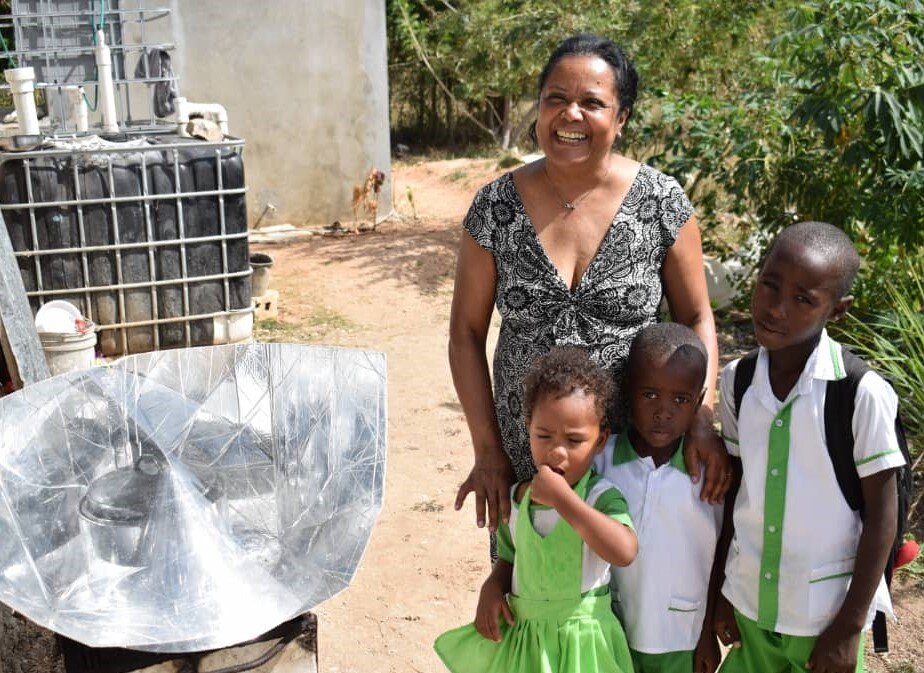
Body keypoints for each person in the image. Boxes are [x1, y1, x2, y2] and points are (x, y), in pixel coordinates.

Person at [449, 33, 729, 540]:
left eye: (592, 102)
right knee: (535, 595)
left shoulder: (661, 202)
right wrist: (488, 450)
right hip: (529, 453)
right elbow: (465, 332)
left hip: (637, 450)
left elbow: (696, 318)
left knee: (632, 597)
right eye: (555, 98)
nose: (570, 115)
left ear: (621, 118)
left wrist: (702, 420)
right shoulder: (494, 207)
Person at [713, 221, 905, 673]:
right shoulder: (737, 381)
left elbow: (883, 516)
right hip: (749, 606)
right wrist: (722, 594)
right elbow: (736, 493)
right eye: (770, 285)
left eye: (803, 299)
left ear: (838, 311)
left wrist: (849, 626)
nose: (776, 308)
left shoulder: (860, 393)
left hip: (825, 620)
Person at [434, 347, 639, 673]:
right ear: (528, 427)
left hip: (584, 644)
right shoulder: (516, 499)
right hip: (528, 645)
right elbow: (510, 556)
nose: (557, 451)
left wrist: (565, 501)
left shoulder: (600, 497)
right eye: (544, 435)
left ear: (599, 442)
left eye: (574, 441)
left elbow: (625, 550)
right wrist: (493, 586)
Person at [595, 322, 723, 673]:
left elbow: (719, 551)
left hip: (681, 637)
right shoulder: (600, 460)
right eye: (649, 394)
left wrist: (708, 629)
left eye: (680, 399)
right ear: (626, 392)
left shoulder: (710, 472)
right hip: (608, 631)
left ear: (698, 402)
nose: (663, 411)